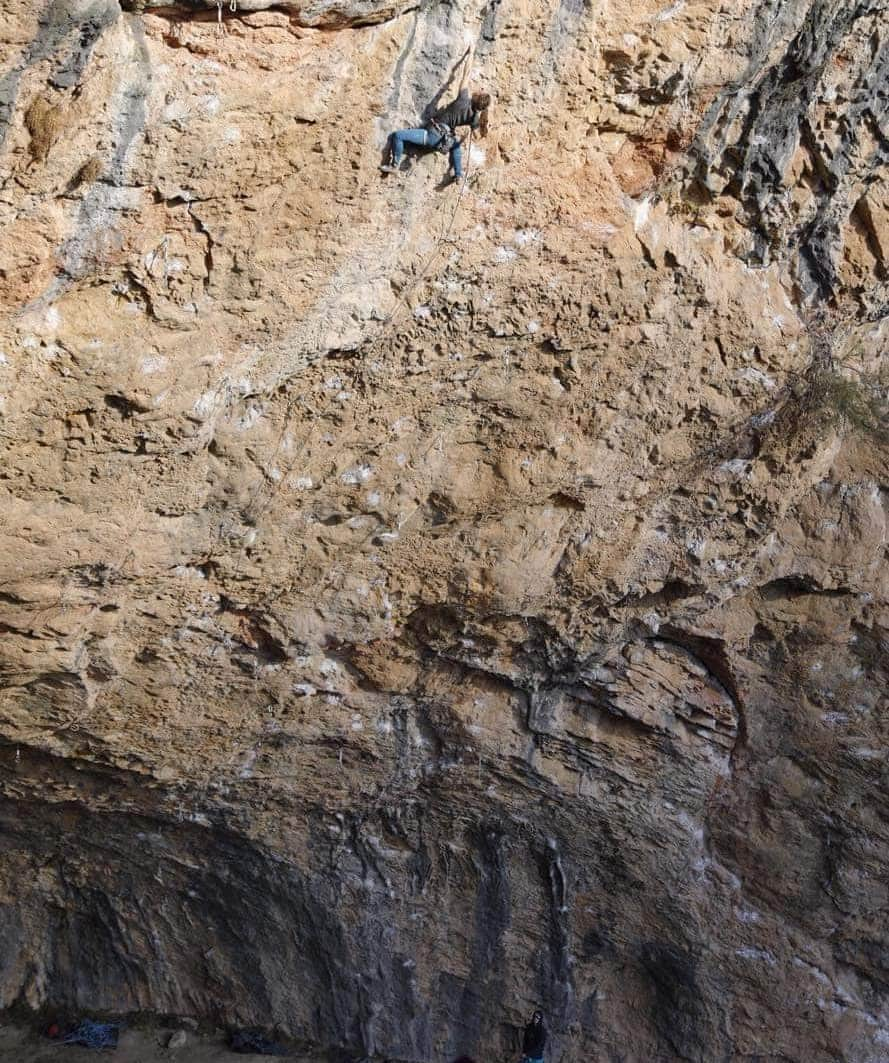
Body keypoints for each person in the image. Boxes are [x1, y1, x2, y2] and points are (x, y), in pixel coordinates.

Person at [381, 54, 491, 183]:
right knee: (456, 148)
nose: (479, 90)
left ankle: (394, 165)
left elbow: (466, 74)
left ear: (477, 97)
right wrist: (479, 130)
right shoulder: (474, 118)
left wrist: (471, 53)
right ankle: (459, 174)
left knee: (398, 136)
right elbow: (478, 136)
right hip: (444, 141)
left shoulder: (463, 99)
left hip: (430, 135)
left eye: (481, 91)